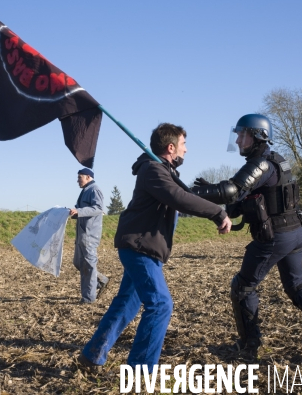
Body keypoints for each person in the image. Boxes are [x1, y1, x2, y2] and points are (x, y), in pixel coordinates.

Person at [78, 123, 232, 373]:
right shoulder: (153, 170)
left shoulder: (162, 171)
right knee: (160, 304)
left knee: (127, 302)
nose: (187, 150)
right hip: (140, 247)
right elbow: (178, 198)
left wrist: (219, 201)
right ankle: (140, 373)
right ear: (171, 147)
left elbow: (184, 194)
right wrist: (217, 213)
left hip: (144, 246)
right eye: (183, 145)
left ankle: (92, 355)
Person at [191, 114, 302, 359]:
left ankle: (249, 345)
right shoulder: (276, 161)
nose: (239, 140)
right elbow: (251, 197)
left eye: (243, 135)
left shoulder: (261, 163)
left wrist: (187, 192)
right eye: (238, 135)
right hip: (294, 234)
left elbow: (232, 191)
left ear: (258, 136)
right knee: (296, 286)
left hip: (276, 237)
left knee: (242, 287)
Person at [69, 168, 109, 304]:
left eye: (79, 177)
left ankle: (88, 298)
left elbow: (98, 208)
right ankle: (100, 280)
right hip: (81, 233)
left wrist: (79, 211)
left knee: (89, 265)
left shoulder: (94, 189)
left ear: (87, 177)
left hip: (89, 234)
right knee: (78, 263)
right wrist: (73, 214)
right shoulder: (86, 190)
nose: (77, 180)